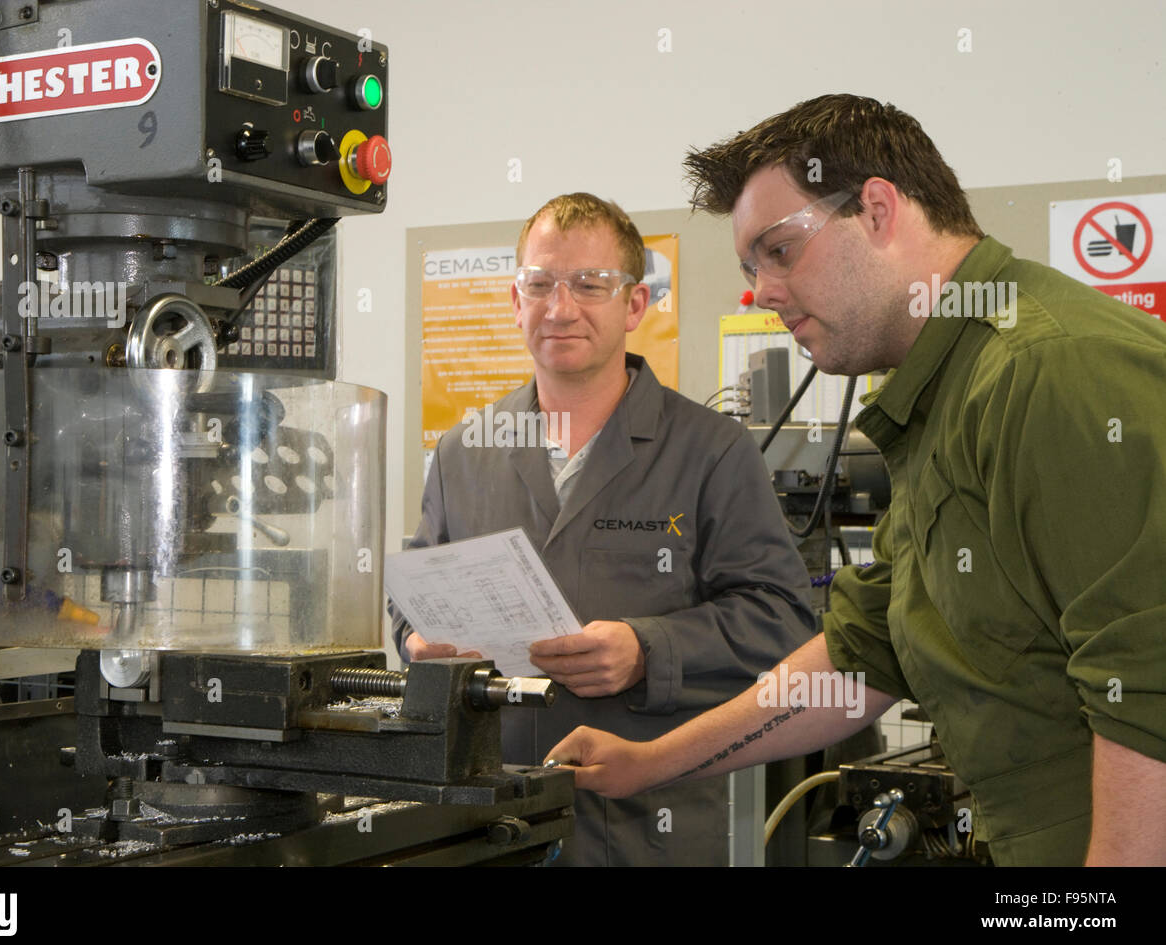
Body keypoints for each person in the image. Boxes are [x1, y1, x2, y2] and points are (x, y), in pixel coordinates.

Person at [547, 95, 1166, 867]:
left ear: (877, 209)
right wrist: (653, 760)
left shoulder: (1048, 368)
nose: (763, 292)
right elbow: (860, 655)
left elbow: (1148, 684)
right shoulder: (941, 396)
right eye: (749, 268)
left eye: (780, 251)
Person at [391, 192, 816, 866]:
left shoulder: (713, 451)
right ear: (515, 300)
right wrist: (416, 638)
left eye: (591, 285)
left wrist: (648, 650)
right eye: (541, 285)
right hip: (484, 825)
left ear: (636, 305)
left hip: (646, 829)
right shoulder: (464, 449)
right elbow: (410, 594)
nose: (561, 308)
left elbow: (787, 624)